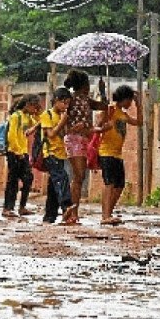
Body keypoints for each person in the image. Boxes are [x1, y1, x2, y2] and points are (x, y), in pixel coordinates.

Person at [63, 70, 108, 222]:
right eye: (88, 83)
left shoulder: (87, 101)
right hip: (74, 139)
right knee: (79, 176)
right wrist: (72, 127)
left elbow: (104, 106)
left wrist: (102, 90)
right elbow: (62, 119)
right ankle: (71, 211)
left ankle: (72, 211)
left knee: (79, 176)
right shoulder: (70, 100)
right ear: (84, 85)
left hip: (83, 139)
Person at [97, 85, 143, 225]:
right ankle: (105, 216)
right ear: (124, 99)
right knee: (109, 183)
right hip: (106, 151)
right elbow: (99, 124)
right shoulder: (110, 110)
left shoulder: (123, 114)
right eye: (129, 100)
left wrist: (139, 105)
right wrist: (106, 121)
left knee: (119, 185)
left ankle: (109, 213)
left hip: (117, 154)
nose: (130, 104)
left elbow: (139, 122)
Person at [39, 87, 77, 224]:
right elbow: (51, 134)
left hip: (61, 154)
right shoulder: (46, 115)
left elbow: (63, 133)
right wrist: (63, 121)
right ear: (56, 101)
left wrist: (71, 126)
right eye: (64, 103)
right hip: (50, 153)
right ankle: (66, 206)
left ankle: (49, 216)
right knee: (62, 178)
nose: (66, 106)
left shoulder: (61, 116)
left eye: (68, 104)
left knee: (53, 185)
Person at [3, 94, 41, 218]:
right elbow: (11, 136)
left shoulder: (27, 117)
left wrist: (38, 113)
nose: (34, 110)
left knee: (28, 178)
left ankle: (22, 207)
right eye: (34, 107)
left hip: (22, 152)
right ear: (27, 104)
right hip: (15, 152)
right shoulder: (16, 116)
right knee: (13, 181)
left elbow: (38, 124)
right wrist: (17, 152)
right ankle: (7, 208)